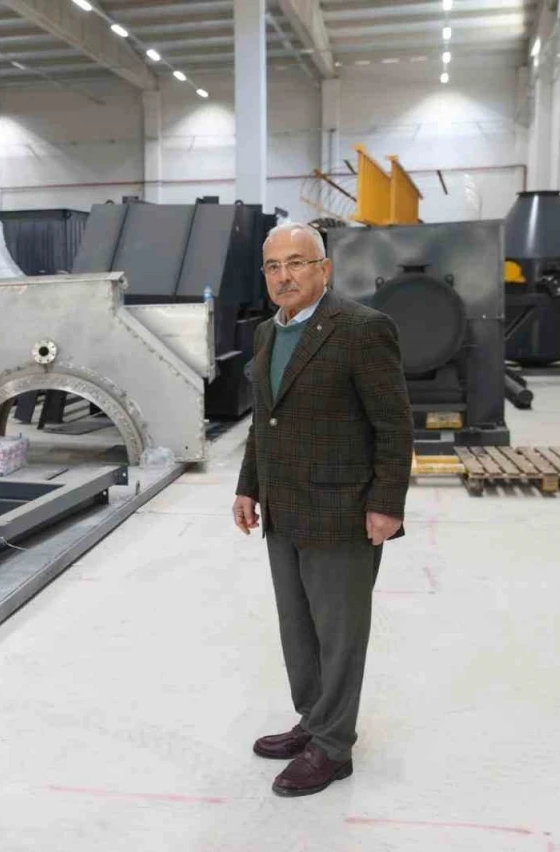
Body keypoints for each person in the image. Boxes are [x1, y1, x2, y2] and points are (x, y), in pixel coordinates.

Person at [233, 221, 412, 797]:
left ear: (324, 269)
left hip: (343, 509)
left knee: (339, 633)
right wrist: (248, 486)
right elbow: (264, 419)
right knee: (298, 629)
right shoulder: (267, 332)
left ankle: (333, 748)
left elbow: (394, 424)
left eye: (296, 263)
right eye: (273, 266)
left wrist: (386, 504)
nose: (283, 276)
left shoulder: (361, 329)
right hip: (283, 507)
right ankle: (314, 722)